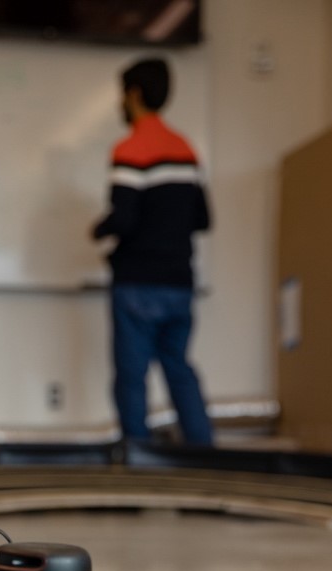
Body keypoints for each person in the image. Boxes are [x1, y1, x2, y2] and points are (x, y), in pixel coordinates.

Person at [91, 57, 213, 445]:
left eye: (121, 95)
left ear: (134, 94)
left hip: (138, 283)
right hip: (179, 281)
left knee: (132, 375)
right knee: (178, 368)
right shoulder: (186, 149)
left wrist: (99, 229)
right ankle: (205, 457)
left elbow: (123, 219)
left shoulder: (131, 149)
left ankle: (138, 464)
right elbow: (203, 219)